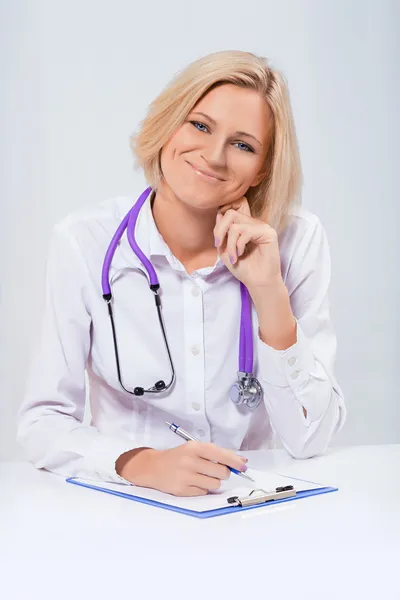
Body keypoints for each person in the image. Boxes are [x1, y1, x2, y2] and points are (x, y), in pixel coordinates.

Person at [17, 50, 346, 497]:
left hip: (258, 514)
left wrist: (268, 289)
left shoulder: (294, 240)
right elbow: (42, 423)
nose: (214, 156)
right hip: (129, 509)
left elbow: (311, 438)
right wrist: (142, 464)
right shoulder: (84, 242)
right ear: (168, 123)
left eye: (243, 144)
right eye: (200, 125)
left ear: (262, 169)